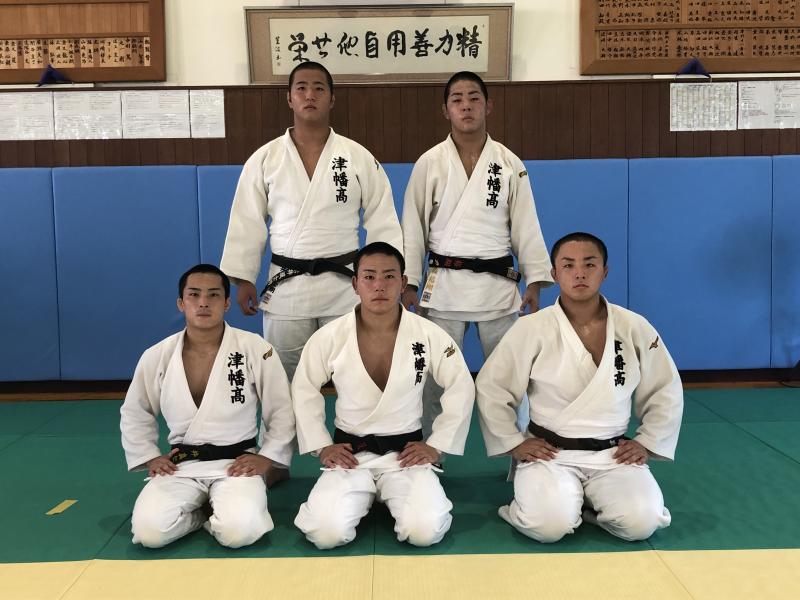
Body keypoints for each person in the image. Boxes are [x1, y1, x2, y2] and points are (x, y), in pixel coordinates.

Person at [476, 233, 682, 542]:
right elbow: (493, 388)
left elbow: (665, 388)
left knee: (643, 523)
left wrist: (648, 442)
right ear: (554, 273)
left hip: (613, 454)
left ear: (605, 272)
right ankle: (542, 506)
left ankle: (584, 509)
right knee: (548, 527)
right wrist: (514, 442)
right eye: (568, 265)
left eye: (589, 264)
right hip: (549, 453)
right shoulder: (531, 328)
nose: (580, 273)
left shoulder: (634, 326)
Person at [220, 61, 402, 382]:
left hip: (344, 287)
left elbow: (382, 218)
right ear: (289, 98)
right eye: (301, 88)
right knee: (284, 382)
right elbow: (246, 221)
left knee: (355, 379)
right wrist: (243, 278)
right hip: (287, 289)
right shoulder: (266, 159)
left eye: (319, 88)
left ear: (332, 99)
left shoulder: (357, 156)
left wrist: (384, 277)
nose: (309, 95)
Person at [291, 242, 475, 549]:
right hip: (351, 455)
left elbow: (461, 385)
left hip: (406, 456)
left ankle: (390, 497)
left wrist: (436, 445)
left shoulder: (427, 333)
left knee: (424, 532)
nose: (379, 286)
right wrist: (322, 445)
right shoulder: (330, 336)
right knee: (325, 533)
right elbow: (303, 387)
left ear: (403, 283)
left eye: (389, 277)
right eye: (369, 277)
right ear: (355, 283)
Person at [401, 71, 552, 435]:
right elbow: (413, 226)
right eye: (457, 100)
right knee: (435, 379)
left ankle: (520, 453)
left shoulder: (509, 163)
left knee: (509, 378)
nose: (466, 106)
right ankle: (430, 452)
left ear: (488, 106)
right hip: (444, 286)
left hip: (496, 287)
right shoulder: (429, 162)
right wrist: (409, 281)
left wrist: (534, 280)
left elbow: (525, 223)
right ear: (446, 110)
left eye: (474, 98)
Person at [120, 264, 295, 548]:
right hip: (181, 465)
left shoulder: (254, 348)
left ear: (227, 303)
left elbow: (281, 408)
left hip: (237, 463)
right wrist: (149, 456)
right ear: (181, 303)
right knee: (149, 533)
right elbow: (135, 411)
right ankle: (201, 516)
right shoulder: (157, 355)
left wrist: (267, 456)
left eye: (214, 295)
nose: (203, 302)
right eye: (194, 295)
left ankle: (221, 513)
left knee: (240, 532)